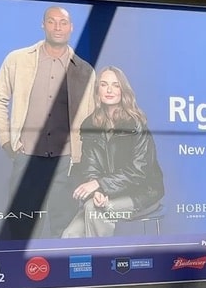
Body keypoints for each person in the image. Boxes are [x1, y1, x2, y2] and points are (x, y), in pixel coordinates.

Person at [0, 6, 95, 239]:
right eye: (52, 21)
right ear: (43, 25)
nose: (58, 27)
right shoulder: (17, 60)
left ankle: (61, 275)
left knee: (63, 230)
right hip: (26, 158)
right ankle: (18, 275)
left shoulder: (85, 70)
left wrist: (83, 160)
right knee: (22, 230)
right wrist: (7, 142)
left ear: (71, 27)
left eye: (63, 22)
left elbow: (91, 119)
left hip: (66, 164)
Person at [62, 66, 164, 238]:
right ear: (97, 91)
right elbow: (90, 167)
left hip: (141, 193)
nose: (109, 90)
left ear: (122, 91)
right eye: (103, 84)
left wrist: (100, 185)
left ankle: (101, 261)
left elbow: (139, 172)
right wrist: (98, 192)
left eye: (115, 85)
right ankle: (88, 263)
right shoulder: (89, 124)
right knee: (69, 236)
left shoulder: (136, 124)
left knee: (95, 210)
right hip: (107, 192)